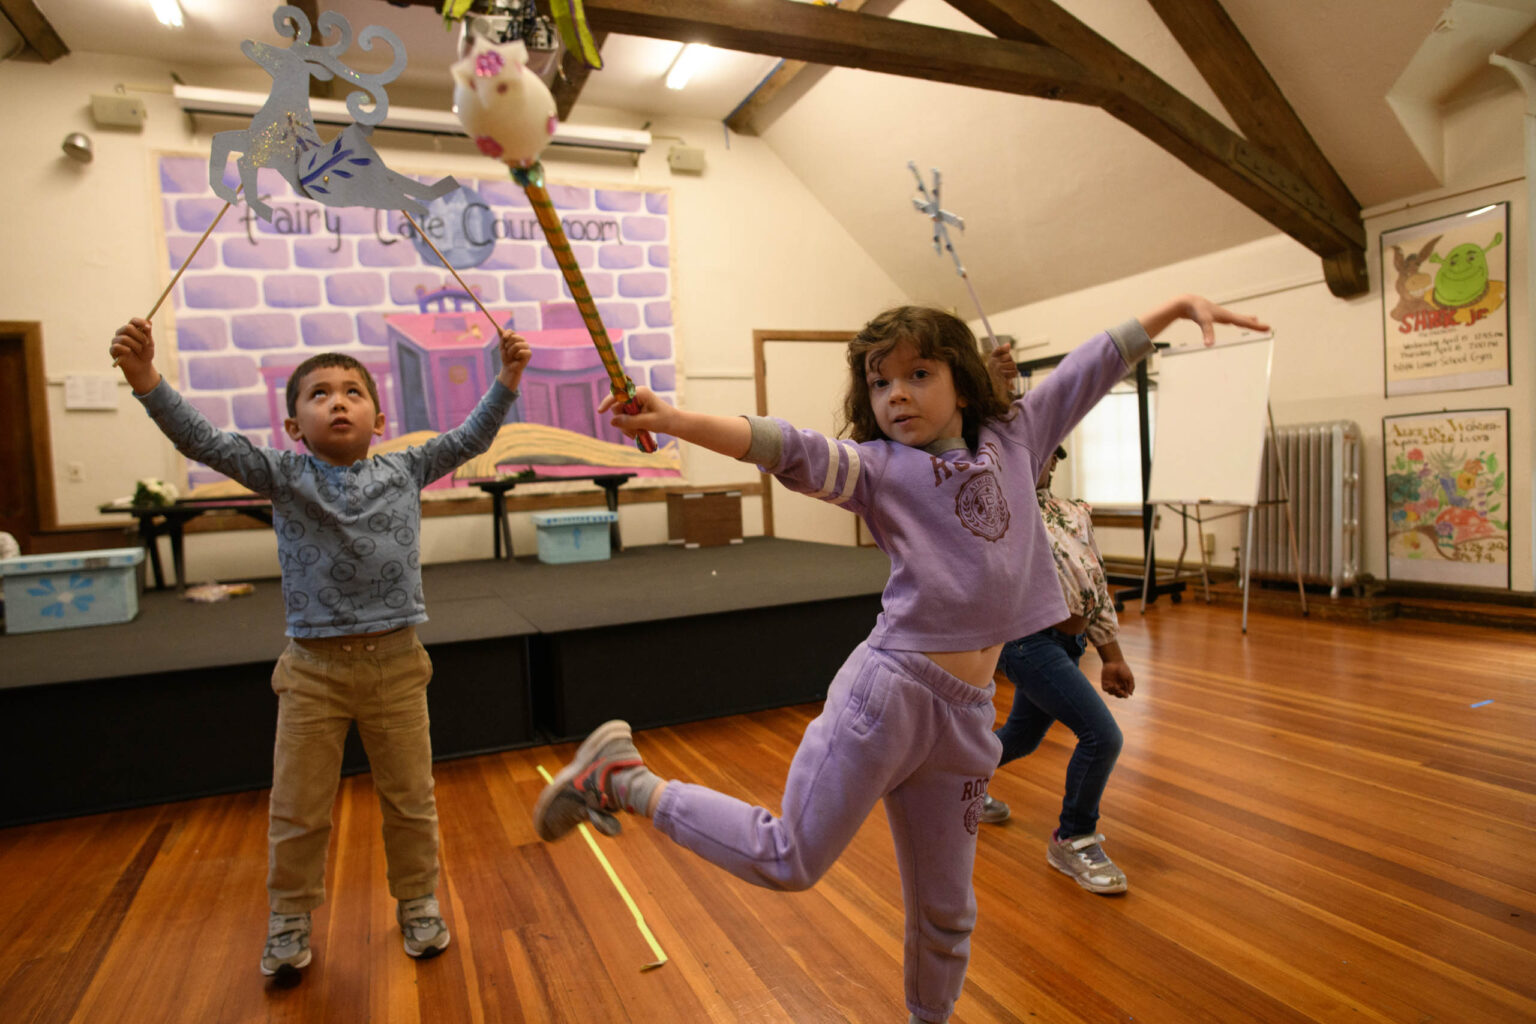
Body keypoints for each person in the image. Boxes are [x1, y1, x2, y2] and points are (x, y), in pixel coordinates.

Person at [532, 296, 1267, 1023]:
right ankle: (623, 780)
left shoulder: (1016, 437)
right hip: (891, 695)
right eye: (880, 383)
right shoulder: (879, 469)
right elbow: (786, 445)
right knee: (788, 857)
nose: (897, 396)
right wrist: (675, 421)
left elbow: (1092, 365)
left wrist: (1172, 309)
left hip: (969, 716)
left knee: (949, 912)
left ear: (962, 379)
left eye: (918, 374)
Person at [109, 316, 531, 977]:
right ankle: (289, 918)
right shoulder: (282, 473)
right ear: (293, 427)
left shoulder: (408, 465)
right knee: (298, 808)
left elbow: (472, 436)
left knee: (411, 800)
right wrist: (145, 380)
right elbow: (204, 440)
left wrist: (506, 377)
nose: (338, 401)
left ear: (380, 416)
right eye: (320, 393)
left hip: (396, 665)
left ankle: (418, 901)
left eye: (352, 391)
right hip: (312, 672)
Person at [974, 435, 1137, 896]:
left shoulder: (1076, 512)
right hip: (1026, 644)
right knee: (1102, 737)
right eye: (1025, 455)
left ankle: (956, 783)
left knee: (1022, 737)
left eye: (1046, 454)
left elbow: (1097, 586)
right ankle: (1072, 836)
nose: (1038, 463)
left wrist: (1112, 656)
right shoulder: (1004, 514)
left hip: (1071, 644)